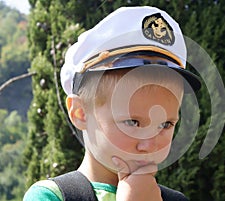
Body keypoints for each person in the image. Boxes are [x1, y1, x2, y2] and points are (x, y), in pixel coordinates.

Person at [24, 6, 201, 201]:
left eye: (165, 124)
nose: (149, 144)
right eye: (133, 122)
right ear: (80, 112)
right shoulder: (51, 196)